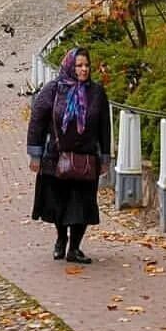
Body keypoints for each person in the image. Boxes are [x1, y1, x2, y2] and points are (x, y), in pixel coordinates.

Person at [26, 47, 111, 263]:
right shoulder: (53, 90)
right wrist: (35, 154)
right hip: (56, 157)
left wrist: (105, 157)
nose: (84, 69)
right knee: (59, 203)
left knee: (83, 205)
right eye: (79, 65)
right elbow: (37, 121)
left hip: (86, 159)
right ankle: (61, 239)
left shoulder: (96, 93)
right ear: (70, 66)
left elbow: (104, 127)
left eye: (86, 65)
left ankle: (74, 248)